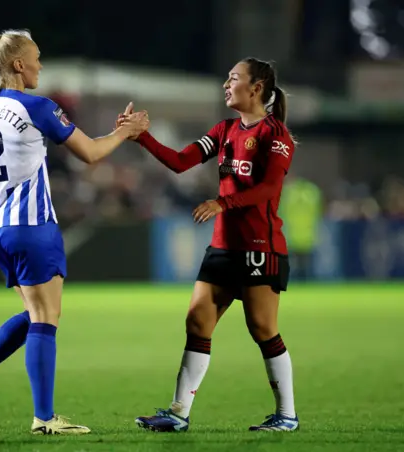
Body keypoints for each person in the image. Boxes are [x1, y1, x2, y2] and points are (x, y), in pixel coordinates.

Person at [0, 29, 148, 435]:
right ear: (19, 64)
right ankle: (43, 418)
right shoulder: (37, 107)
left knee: (36, 313)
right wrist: (127, 132)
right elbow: (91, 153)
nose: (41, 65)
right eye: (37, 57)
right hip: (32, 225)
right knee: (46, 318)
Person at [118, 58, 299, 432]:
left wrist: (223, 202)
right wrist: (142, 138)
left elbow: (269, 189)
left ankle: (287, 415)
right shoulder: (224, 130)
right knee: (197, 321)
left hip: (259, 247)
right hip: (222, 247)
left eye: (233, 79)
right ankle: (178, 414)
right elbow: (182, 161)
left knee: (262, 328)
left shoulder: (274, 134)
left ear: (256, 88)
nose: (225, 85)